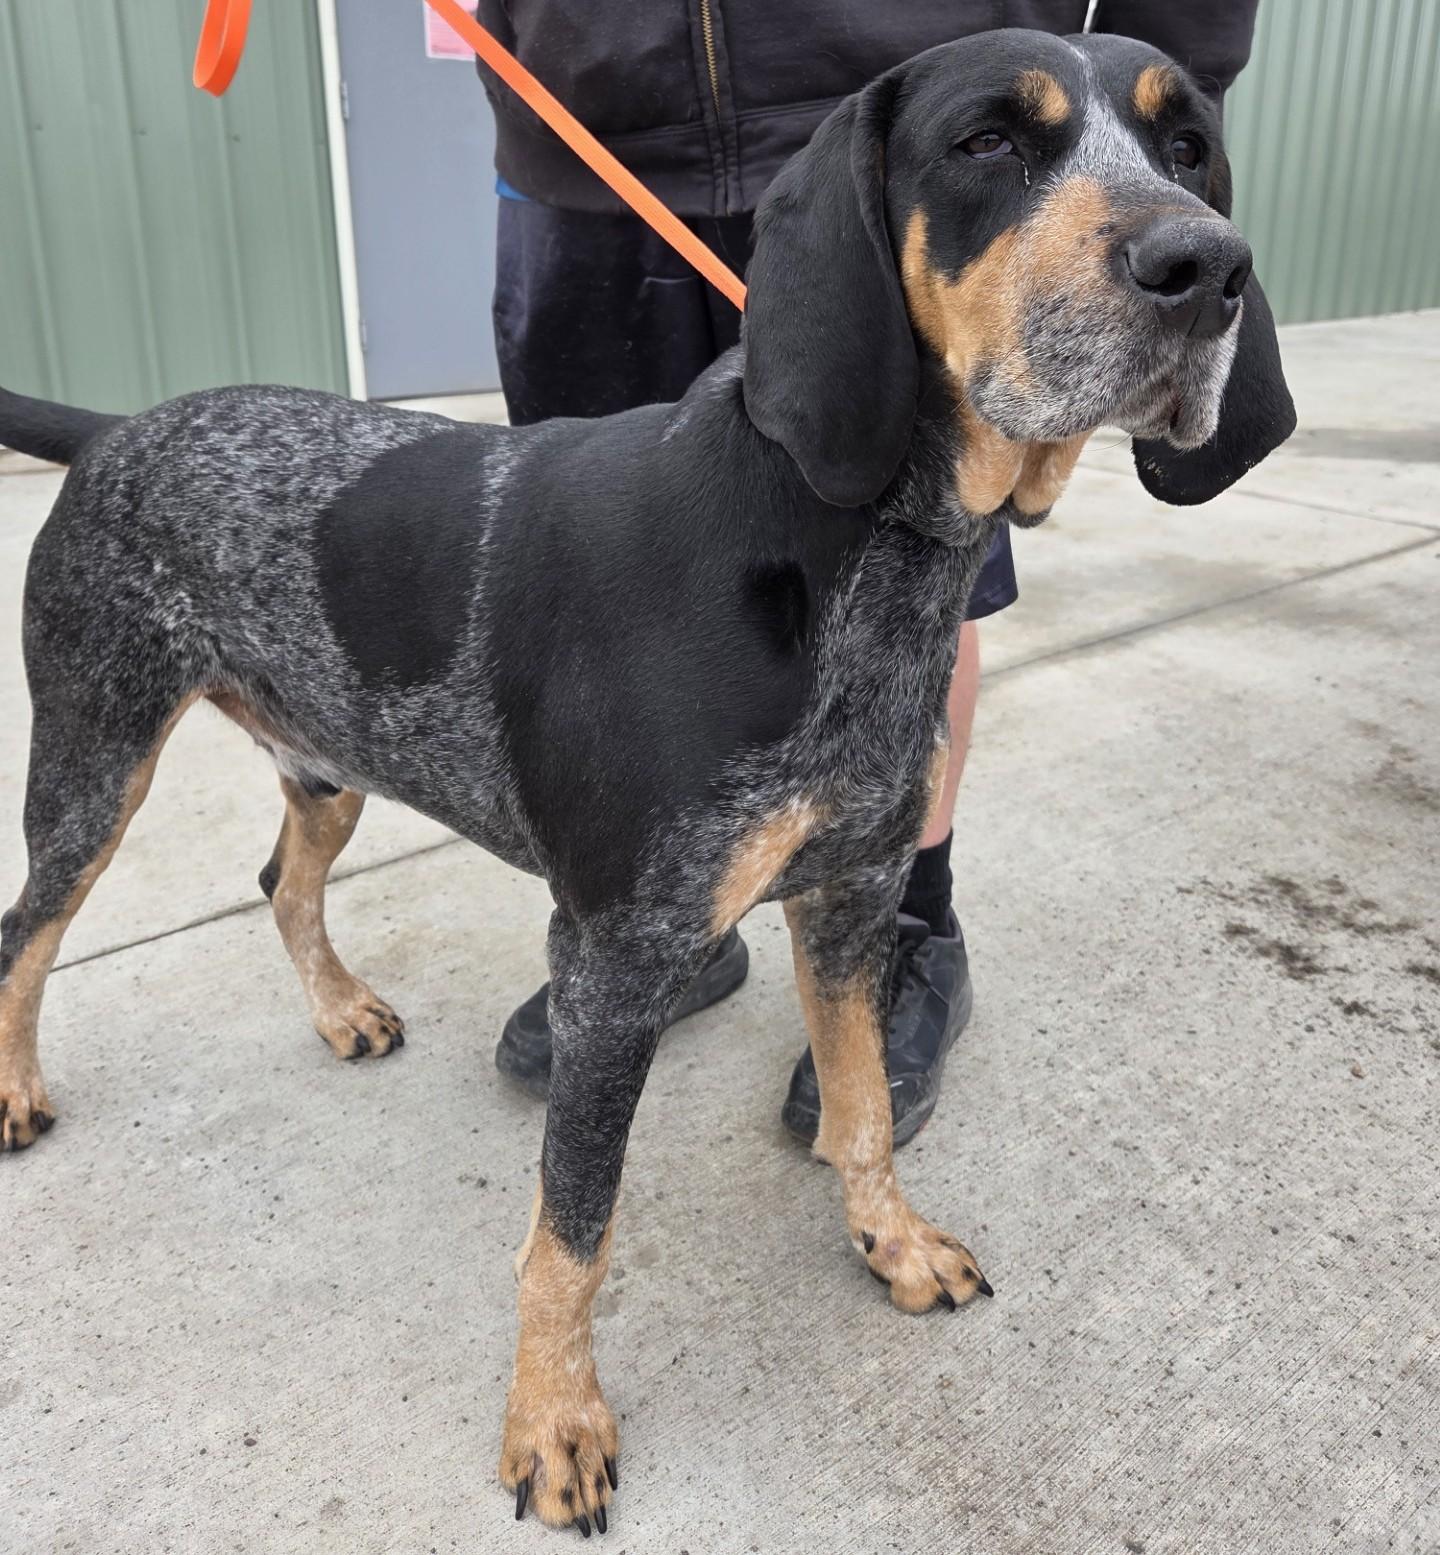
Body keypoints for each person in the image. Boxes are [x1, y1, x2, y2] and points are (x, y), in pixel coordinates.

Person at [477, 0, 1260, 1143]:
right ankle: (652, 922)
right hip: (587, 136)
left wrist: (1162, 114)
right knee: (609, 577)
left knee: (920, 572)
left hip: (907, 104)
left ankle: (904, 928)